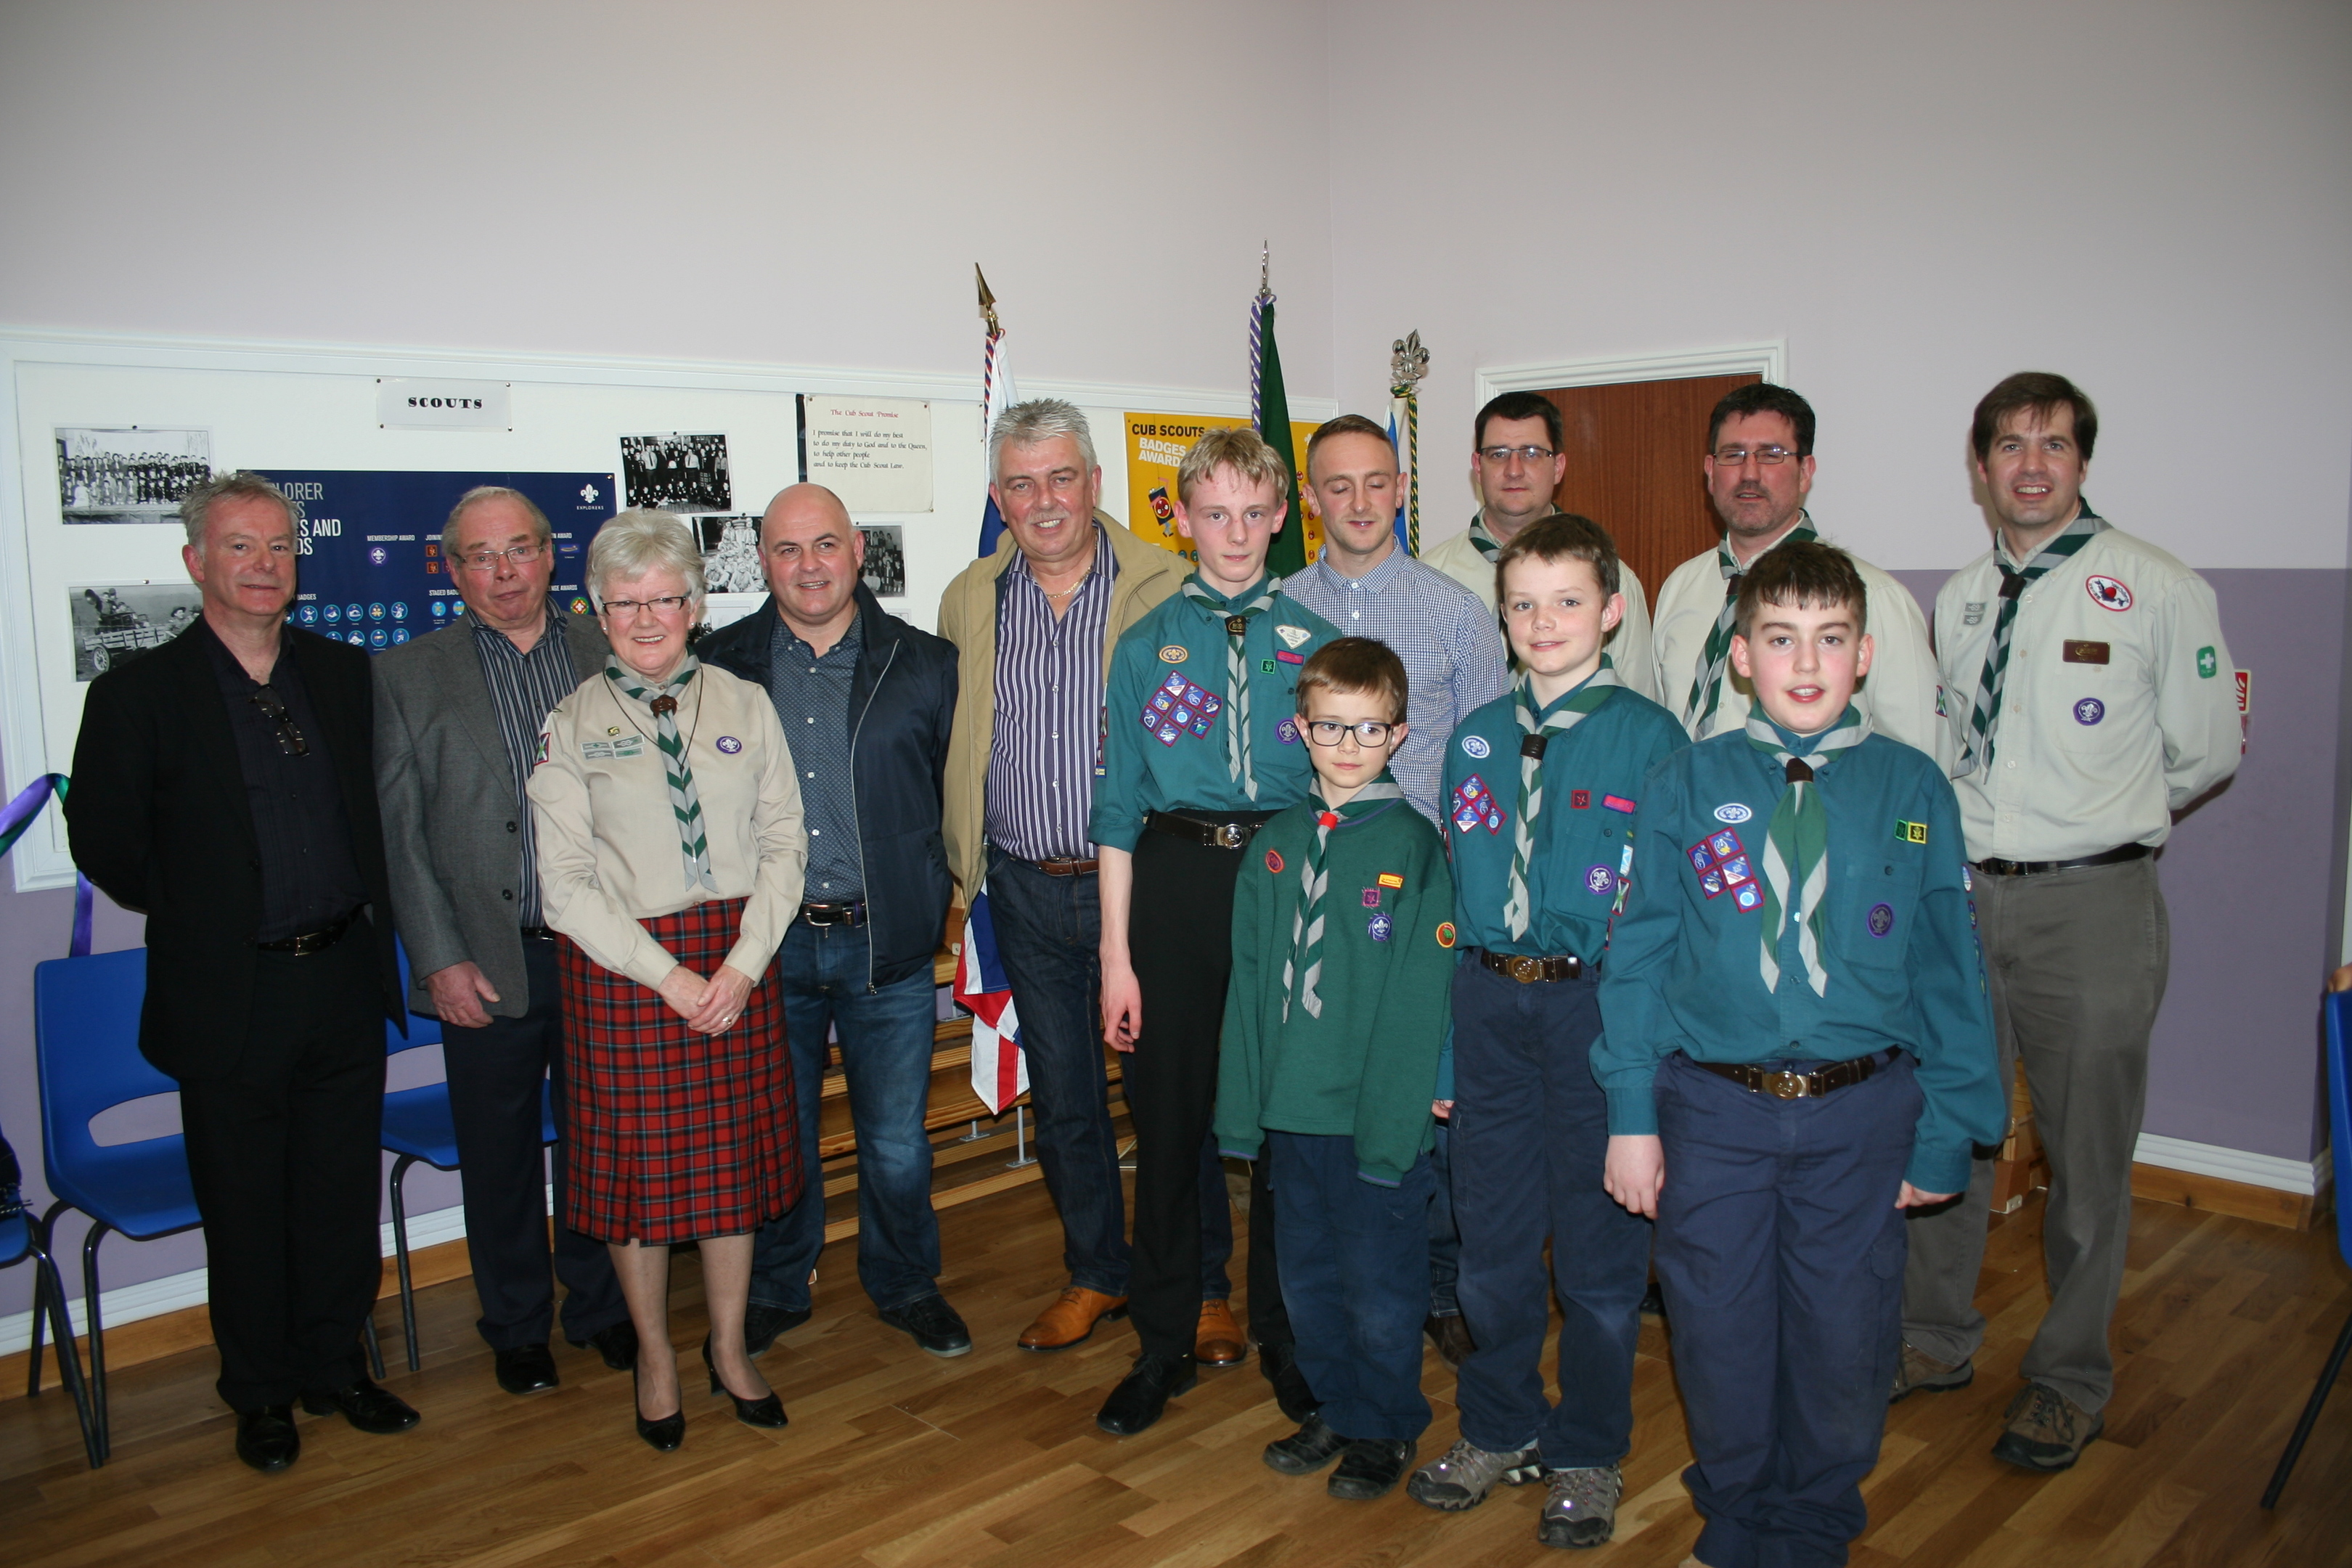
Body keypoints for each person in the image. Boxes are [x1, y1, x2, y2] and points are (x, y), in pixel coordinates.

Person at [1596, 542, 2004, 1568]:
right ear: (1742, 656)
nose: (1806, 663)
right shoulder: (1686, 781)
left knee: (1842, 1334)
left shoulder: (1913, 788)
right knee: (1718, 1328)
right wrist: (1634, 1117)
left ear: (1865, 653)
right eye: (1780, 639)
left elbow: (1951, 973)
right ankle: (1733, 1522)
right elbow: (1638, 961)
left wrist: (1948, 1133)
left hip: (1861, 1113)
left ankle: (1816, 1529)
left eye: (1829, 640)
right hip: (1715, 1109)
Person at [1897, 373, 2241, 1471]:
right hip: (1964, 896)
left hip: (2092, 902)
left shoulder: (2154, 587)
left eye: (2052, 444)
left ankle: (2068, 1376)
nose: (2030, 464)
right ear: (1980, 467)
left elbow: (2204, 752)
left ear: (2082, 462)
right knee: (1947, 1123)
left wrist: (2098, 826)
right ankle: (1932, 1338)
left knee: (2087, 1157)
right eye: (2009, 445)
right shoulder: (1956, 600)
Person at [67, 470, 416, 1474]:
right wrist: (210, 909)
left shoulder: (344, 674)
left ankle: (336, 1368)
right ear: (195, 564)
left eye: (278, 547)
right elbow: (107, 846)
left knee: (338, 1193)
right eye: (240, 547)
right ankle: (260, 1392)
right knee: (246, 1202)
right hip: (230, 992)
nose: (264, 565)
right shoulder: (138, 695)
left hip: (343, 977)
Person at [1408, 514, 1686, 1548]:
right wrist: (1445, 1050)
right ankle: (1499, 1425)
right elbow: (1451, 903)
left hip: (1597, 1008)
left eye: (1568, 600)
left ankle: (1589, 1450)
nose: (1544, 621)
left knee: (1603, 1267)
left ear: (1612, 612)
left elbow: (1663, 926)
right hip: (1487, 1008)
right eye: (1523, 603)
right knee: (1489, 1254)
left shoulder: (1651, 741)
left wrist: (1638, 1088)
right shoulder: (1475, 735)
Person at [526, 508, 808, 1451]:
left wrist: (738, 965)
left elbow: (783, 845)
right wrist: (669, 979)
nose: (646, 620)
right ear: (597, 613)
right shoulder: (568, 725)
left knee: (729, 1174)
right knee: (637, 1190)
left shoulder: (744, 703)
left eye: (664, 600)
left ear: (694, 604)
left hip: (738, 960)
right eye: (624, 604)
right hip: (625, 976)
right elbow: (563, 889)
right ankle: (654, 1356)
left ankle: (728, 1349)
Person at [1089, 426, 1342, 1437]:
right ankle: (1161, 1343)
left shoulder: (1321, 646)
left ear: (1283, 518)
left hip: (1284, 875)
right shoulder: (1146, 646)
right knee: (1170, 1119)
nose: (1235, 534)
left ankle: (1288, 1336)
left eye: (1253, 512)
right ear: (1182, 519)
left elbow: (1347, 792)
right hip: (1176, 881)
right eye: (1214, 513)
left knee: (1289, 1124)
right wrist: (1117, 957)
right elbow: (1115, 812)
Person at [936, 401, 1188, 1361]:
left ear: (1094, 483)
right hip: (1027, 891)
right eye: (1021, 484)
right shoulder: (971, 595)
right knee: (1069, 1102)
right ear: (999, 497)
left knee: (1170, 1097)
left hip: (1148, 886)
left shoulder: (1166, 584)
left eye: (1061, 478)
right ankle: (1098, 1273)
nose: (1043, 502)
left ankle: (1197, 1284)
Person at [374, 486, 634, 1398]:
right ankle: (517, 1325)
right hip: (483, 956)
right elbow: (400, 838)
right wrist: (438, 957)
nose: (505, 571)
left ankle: (602, 1308)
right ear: (451, 569)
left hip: (604, 953)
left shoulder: (612, 649)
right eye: (482, 556)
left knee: (606, 1143)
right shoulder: (407, 675)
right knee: (500, 1155)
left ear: (550, 555)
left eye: (520, 550)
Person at [701, 483, 966, 1360]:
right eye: (786, 549)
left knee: (895, 1142)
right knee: (782, 1137)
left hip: (882, 942)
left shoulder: (927, 662)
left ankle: (906, 1282)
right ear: (760, 558)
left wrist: (943, 899)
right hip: (765, 947)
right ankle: (781, 1283)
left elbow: (945, 791)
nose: (808, 566)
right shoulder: (719, 664)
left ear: (858, 549)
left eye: (824, 545)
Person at [1285, 412, 1507, 1368]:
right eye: (1338, 486)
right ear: (1309, 499)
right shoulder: (1281, 611)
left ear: (1403, 489)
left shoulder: (1457, 612)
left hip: (1427, 903)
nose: (1360, 502)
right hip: (1320, 905)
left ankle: (1442, 1282)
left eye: (1377, 482)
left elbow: (1490, 762)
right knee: (1330, 1105)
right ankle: (1337, 1285)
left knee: (1433, 1101)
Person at [1214, 637, 1455, 1500]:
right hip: (1292, 1116)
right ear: (1300, 728)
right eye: (1330, 727)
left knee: (1381, 1287)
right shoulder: (1275, 845)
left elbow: (1421, 1000)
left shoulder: (1415, 848)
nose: (1348, 746)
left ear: (1397, 734)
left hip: (1371, 1117)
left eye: (1368, 730)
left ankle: (1386, 1423)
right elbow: (1247, 986)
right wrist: (1241, 1113)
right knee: (1305, 1280)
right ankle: (1335, 1403)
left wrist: (1399, 1122)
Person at [1651, 383, 1946, 762]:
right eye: (1733, 454)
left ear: (1805, 471)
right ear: (1710, 472)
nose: (1749, 473)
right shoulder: (1680, 587)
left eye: (1772, 455)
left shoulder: (1876, 595)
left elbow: (1916, 762)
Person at [1424, 391, 1660, 701]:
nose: (1514, 469)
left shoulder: (1613, 579)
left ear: (1559, 466)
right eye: (1498, 454)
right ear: (1477, 467)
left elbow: (1635, 705)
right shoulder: (1429, 577)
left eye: (1532, 453)